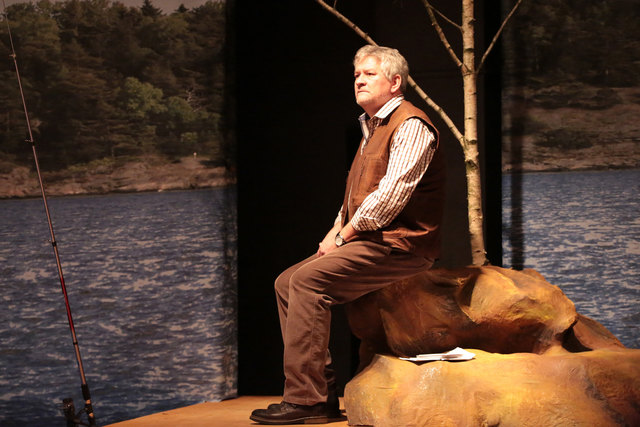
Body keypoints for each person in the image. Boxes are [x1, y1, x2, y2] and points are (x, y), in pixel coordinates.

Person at [250, 45, 446, 425]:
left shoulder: (411, 125)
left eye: (369, 74)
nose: (359, 80)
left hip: (400, 245)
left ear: (395, 82)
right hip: (370, 239)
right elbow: (356, 195)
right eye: (356, 74)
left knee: (307, 282)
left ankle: (306, 402)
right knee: (287, 282)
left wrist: (345, 236)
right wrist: (333, 232)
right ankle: (318, 396)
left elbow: (389, 198)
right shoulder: (371, 128)